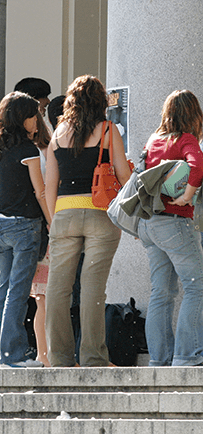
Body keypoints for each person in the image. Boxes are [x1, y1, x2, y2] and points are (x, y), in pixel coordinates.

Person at [45, 75, 131, 367]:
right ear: (100, 101)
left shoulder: (58, 133)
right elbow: (123, 175)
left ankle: (59, 358)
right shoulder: (108, 130)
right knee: (93, 286)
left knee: (58, 288)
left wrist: (53, 220)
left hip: (64, 215)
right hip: (100, 214)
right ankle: (93, 357)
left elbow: (50, 186)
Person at [138, 90, 203, 366]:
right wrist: (188, 195)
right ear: (194, 114)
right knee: (197, 286)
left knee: (161, 292)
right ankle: (187, 356)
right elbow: (197, 166)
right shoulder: (186, 139)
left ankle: (159, 361)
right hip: (174, 223)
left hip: (149, 223)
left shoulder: (154, 140)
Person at [0, 91, 48, 368]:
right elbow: (41, 192)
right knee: (18, 292)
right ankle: (12, 355)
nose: (37, 120)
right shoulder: (28, 150)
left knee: (3, 291)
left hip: (0, 225)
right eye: (34, 115)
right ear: (23, 118)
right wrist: (52, 221)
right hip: (25, 226)